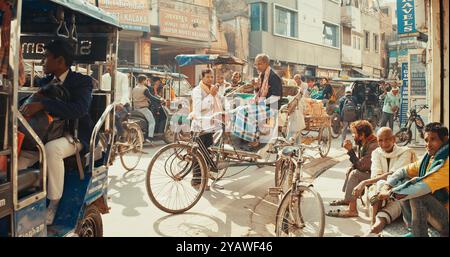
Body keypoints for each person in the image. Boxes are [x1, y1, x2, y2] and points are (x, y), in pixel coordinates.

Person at [18, 39, 94, 225]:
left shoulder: (82, 82)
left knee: (52, 150)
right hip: (43, 133)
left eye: (46, 57)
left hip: (72, 135)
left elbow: (79, 109)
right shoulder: (44, 81)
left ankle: (53, 203)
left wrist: (44, 104)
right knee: (16, 162)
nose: (43, 61)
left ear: (60, 61)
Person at [378, 122, 449, 237]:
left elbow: (421, 188)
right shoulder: (430, 158)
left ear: (444, 139)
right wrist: (387, 186)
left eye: (433, 139)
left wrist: (391, 193)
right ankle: (413, 230)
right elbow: (403, 171)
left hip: (446, 222)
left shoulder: (446, 162)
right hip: (435, 214)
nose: (428, 144)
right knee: (404, 181)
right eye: (426, 140)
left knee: (416, 193)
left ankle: (419, 234)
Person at [353, 127, 417, 237]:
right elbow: (376, 174)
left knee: (382, 214)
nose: (384, 143)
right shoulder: (376, 153)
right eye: (380, 140)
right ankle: (372, 229)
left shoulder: (406, 152)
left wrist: (364, 182)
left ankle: (371, 228)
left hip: (399, 194)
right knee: (379, 186)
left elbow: (395, 175)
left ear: (394, 139)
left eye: (387, 139)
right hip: (379, 196)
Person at [327, 120, 378, 218]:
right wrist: (351, 149)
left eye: (354, 133)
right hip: (369, 172)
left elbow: (362, 166)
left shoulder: (373, 145)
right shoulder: (364, 141)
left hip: (376, 176)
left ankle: (352, 210)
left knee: (355, 173)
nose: (353, 136)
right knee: (351, 169)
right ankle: (348, 200)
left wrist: (350, 151)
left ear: (362, 134)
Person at [190, 68, 223, 190]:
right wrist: (211, 95)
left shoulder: (212, 89)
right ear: (202, 78)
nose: (210, 79)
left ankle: (205, 180)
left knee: (207, 155)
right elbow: (198, 108)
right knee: (198, 156)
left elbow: (220, 101)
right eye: (208, 77)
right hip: (199, 127)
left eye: (211, 77)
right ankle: (196, 182)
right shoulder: (197, 90)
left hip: (210, 127)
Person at [242, 53, 282, 148]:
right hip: (263, 105)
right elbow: (260, 93)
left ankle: (258, 140)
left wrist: (261, 103)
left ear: (265, 63)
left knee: (251, 113)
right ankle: (248, 137)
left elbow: (276, 96)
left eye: (259, 64)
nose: (256, 66)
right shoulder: (262, 76)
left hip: (272, 107)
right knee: (242, 110)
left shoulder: (273, 76)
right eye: (256, 64)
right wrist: (256, 88)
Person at [100, 61, 131, 137]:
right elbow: (103, 92)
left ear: (115, 65)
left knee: (114, 116)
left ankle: (122, 135)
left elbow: (125, 93)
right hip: (109, 106)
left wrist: (121, 103)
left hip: (123, 105)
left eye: (110, 64)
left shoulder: (123, 76)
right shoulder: (103, 77)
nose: (108, 67)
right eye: (107, 64)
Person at [132, 74, 156, 142]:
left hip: (136, 108)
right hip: (143, 108)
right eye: (146, 80)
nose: (146, 81)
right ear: (143, 80)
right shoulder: (144, 89)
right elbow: (151, 97)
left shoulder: (135, 88)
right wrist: (160, 100)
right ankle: (150, 137)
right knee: (152, 122)